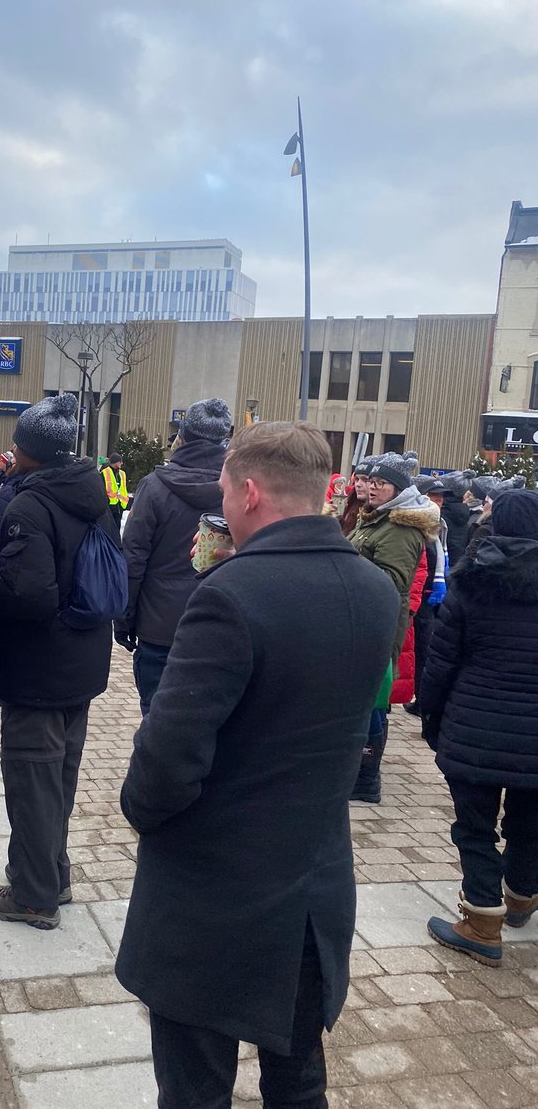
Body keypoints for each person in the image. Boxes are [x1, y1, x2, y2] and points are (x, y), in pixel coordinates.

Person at [115, 421, 399, 1109]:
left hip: (215, 900)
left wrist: (142, 812)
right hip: (314, 889)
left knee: (195, 1091)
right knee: (298, 1083)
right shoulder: (374, 590)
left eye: (223, 490)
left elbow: (166, 764)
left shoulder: (229, 597)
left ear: (248, 491)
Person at [0, 393, 118, 929]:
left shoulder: (29, 504)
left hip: (36, 665)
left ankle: (33, 897)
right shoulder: (93, 495)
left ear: (30, 451)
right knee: (58, 777)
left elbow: (29, 595)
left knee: (32, 781)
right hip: (82, 660)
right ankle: (53, 874)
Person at [421, 490, 538, 967]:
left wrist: (431, 716)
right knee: (530, 823)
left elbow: (441, 662)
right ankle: (523, 895)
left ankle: (482, 921)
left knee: (474, 827)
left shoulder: (473, 580)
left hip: (475, 726)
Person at [114, 397, 233, 714]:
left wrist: (124, 620)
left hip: (160, 627)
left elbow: (133, 561)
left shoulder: (153, 488)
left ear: (183, 435)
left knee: (157, 721)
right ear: (224, 440)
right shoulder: (237, 491)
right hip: (220, 625)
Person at [347, 451, 439, 802]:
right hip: (365, 618)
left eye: (379, 482)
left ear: (398, 488)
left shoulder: (401, 526)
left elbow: (391, 582)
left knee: (374, 700)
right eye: (369, 480)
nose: (370, 487)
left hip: (377, 623)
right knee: (369, 697)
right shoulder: (377, 518)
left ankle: (366, 779)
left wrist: (346, 569)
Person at [403, 476, 449, 716]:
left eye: (441, 498)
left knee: (424, 649)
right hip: (420, 596)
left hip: (430, 595)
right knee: (416, 649)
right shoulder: (418, 526)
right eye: (434, 496)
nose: (438, 501)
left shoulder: (440, 524)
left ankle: (422, 701)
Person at [101, 452, 129, 532]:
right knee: (108, 531)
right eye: (120, 461)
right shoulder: (104, 473)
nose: (122, 463)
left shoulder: (122, 474)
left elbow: (123, 489)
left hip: (119, 507)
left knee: (116, 531)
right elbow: (102, 490)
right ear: (116, 462)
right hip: (109, 508)